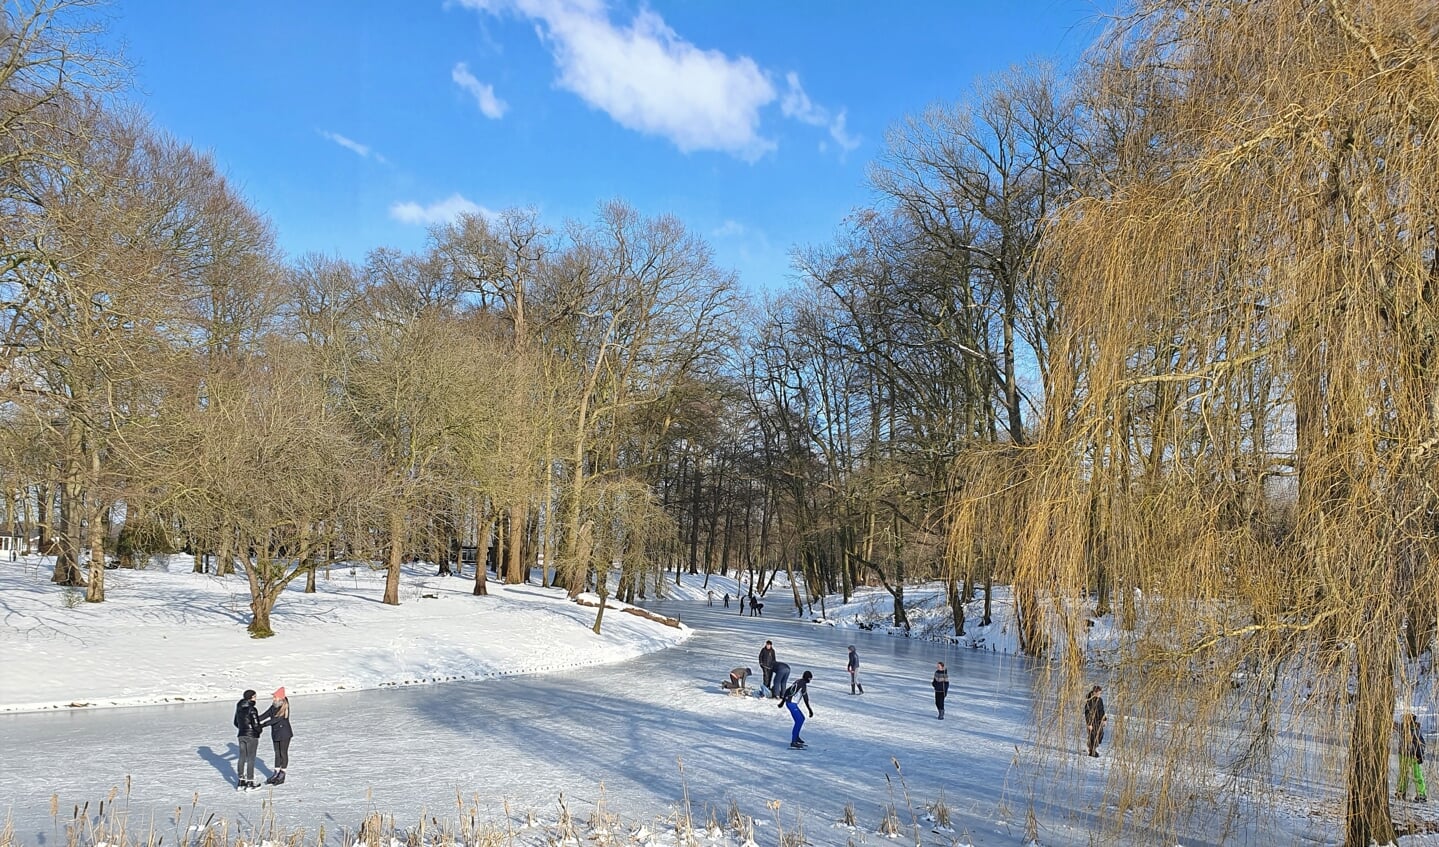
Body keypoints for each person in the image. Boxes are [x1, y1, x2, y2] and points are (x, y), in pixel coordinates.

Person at [259, 687, 293, 785]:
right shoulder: (273, 706)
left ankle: (282, 773)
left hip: (284, 734)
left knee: (283, 753)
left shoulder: (284, 707)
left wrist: (263, 725)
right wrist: (255, 720)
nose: (273, 699)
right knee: (277, 753)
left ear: (279, 697)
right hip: (275, 733)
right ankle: (276, 772)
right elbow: (265, 715)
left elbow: (276, 720)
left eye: (274, 697)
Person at [233, 689, 262, 789]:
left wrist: (243, 729)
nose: (256, 698)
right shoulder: (252, 709)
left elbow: (235, 722)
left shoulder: (239, 707)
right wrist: (258, 731)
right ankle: (250, 782)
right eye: (255, 697)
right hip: (251, 736)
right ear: (251, 697)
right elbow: (256, 724)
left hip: (241, 735)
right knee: (251, 758)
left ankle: (241, 781)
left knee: (242, 757)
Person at [778, 670, 814, 748]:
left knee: (802, 718)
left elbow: (788, 690)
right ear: (807, 678)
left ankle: (796, 737)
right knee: (799, 720)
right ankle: (794, 741)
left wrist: (782, 702)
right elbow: (805, 698)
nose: (810, 681)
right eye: (810, 679)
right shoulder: (803, 684)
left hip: (790, 703)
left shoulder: (798, 681)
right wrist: (810, 709)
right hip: (791, 704)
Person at [1398, 712, 1428, 802]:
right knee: (1403, 774)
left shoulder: (1415, 731)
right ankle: (1401, 791)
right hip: (1403, 754)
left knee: (1417, 774)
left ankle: (1421, 794)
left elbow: (1421, 744)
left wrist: (1419, 756)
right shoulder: (1403, 729)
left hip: (1413, 756)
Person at [1084, 685, 1107, 757]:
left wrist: (1104, 719)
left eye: (1100, 693)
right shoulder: (1089, 700)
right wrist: (1089, 723)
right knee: (1093, 735)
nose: (1099, 694)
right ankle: (1092, 751)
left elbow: (1102, 710)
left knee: (1100, 735)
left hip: (1099, 720)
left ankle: (1093, 747)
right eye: (1097, 693)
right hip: (1092, 721)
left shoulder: (1100, 700)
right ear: (1094, 692)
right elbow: (1087, 712)